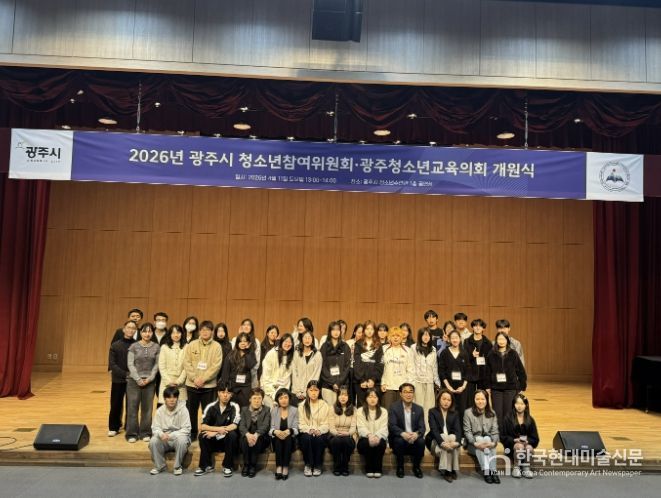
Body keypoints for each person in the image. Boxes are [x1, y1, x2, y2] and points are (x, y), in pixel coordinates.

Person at [184, 320, 223, 440]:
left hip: (209, 386)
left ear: (212, 332)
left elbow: (216, 366)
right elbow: (187, 363)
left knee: (208, 412)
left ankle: (206, 435)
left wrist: (203, 379)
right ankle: (192, 434)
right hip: (192, 385)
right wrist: (195, 379)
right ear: (199, 331)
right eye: (203, 329)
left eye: (208, 329)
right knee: (191, 411)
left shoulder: (217, 346)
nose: (205, 332)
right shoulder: (192, 345)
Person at [194, 383, 241, 478]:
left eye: (228, 393)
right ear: (218, 393)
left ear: (231, 395)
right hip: (213, 441)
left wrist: (215, 432)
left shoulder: (234, 406)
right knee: (202, 435)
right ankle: (205, 466)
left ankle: (227, 466)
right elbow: (202, 426)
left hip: (226, 441)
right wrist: (218, 430)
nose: (225, 395)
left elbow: (234, 425)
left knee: (233, 435)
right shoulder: (211, 407)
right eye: (223, 392)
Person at [126, 322, 160, 443]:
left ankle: (145, 432)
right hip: (133, 381)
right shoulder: (133, 346)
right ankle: (131, 433)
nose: (147, 334)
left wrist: (150, 378)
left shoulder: (156, 347)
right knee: (132, 408)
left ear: (152, 333)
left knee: (147, 409)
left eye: (149, 331)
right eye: (144, 331)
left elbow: (157, 365)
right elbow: (130, 364)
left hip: (149, 382)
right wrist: (138, 379)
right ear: (140, 333)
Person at [148, 386, 191, 476]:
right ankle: (159, 466)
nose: (172, 400)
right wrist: (161, 434)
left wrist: (171, 435)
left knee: (182, 440)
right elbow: (155, 428)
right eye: (169, 397)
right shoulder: (160, 411)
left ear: (177, 398)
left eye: (174, 397)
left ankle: (177, 467)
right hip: (164, 438)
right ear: (165, 399)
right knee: (153, 441)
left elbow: (186, 429)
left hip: (178, 437)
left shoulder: (183, 410)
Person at [486, 332, 527, 426]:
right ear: (496, 341)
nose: (501, 341)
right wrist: (487, 386)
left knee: (508, 412)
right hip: (496, 388)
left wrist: (521, 386)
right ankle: (499, 432)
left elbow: (521, 371)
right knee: (497, 413)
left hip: (510, 387)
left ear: (507, 340)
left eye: (503, 339)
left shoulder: (513, 353)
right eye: (499, 339)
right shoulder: (491, 354)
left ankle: (508, 431)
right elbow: (487, 372)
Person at [388, 383, 426, 479]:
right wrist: (403, 433)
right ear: (400, 394)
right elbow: (392, 426)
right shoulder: (394, 407)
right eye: (405, 392)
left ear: (413, 394)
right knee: (399, 440)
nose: (408, 394)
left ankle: (416, 467)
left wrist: (416, 434)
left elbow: (422, 427)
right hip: (400, 438)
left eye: (411, 392)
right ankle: (400, 467)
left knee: (421, 441)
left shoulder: (419, 409)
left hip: (413, 438)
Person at [463, 389, 500, 484]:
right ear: (474, 400)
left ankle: (493, 471)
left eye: (483, 399)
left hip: (487, 443)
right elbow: (467, 432)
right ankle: (487, 471)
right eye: (477, 399)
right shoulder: (468, 413)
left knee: (487, 438)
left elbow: (495, 432)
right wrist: (476, 443)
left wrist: (493, 443)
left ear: (487, 400)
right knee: (480, 439)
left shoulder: (492, 413)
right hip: (473, 444)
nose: (480, 401)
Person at [425, 389, 462, 482]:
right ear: (439, 399)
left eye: (449, 400)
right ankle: (449, 470)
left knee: (452, 437)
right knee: (445, 436)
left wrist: (457, 442)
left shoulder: (455, 413)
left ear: (452, 402)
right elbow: (434, 430)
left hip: (449, 442)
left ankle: (448, 470)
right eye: (444, 399)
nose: (446, 402)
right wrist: (442, 443)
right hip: (436, 442)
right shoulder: (432, 411)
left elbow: (458, 430)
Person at [108, 320, 137, 437]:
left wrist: (133, 375)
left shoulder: (137, 345)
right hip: (118, 380)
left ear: (135, 331)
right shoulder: (115, 345)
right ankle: (113, 427)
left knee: (131, 405)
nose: (130, 330)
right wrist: (126, 374)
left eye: (133, 328)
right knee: (116, 404)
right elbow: (112, 364)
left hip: (133, 381)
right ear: (124, 329)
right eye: (128, 327)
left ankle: (129, 427)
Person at [501, 393, 539, 479]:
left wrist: (527, 441)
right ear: (514, 405)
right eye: (517, 403)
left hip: (526, 446)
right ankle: (516, 467)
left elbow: (535, 439)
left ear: (526, 405)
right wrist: (514, 440)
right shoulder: (507, 418)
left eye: (522, 404)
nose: (519, 406)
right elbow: (503, 437)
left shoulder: (530, 419)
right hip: (511, 447)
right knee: (519, 446)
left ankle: (526, 468)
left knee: (529, 448)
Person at [298, 380, 330, 477]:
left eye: (316, 390)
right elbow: (300, 423)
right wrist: (309, 430)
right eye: (311, 390)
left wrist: (319, 430)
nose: (313, 393)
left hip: (320, 432)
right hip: (306, 432)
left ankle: (317, 465)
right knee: (307, 438)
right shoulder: (302, 405)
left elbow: (327, 423)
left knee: (318, 439)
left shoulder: (324, 405)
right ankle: (308, 464)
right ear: (307, 391)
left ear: (319, 391)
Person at [238, 387, 271, 478]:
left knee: (257, 440)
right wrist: (248, 435)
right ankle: (246, 465)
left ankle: (253, 465)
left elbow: (265, 425)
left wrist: (256, 435)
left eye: (259, 398)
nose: (257, 401)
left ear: (262, 399)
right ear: (250, 399)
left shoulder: (266, 410)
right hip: (247, 436)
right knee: (245, 440)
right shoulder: (244, 410)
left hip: (261, 437)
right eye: (254, 398)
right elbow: (241, 425)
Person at [409, 327, 441, 419]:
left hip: (429, 382)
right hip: (417, 382)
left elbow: (434, 367)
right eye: (424, 335)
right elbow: (410, 366)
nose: (426, 337)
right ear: (420, 336)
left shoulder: (433, 349)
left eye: (428, 335)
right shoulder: (413, 348)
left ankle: (428, 427)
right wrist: (411, 382)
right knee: (418, 407)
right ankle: (418, 427)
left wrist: (437, 382)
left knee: (429, 408)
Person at [356, 388, 388, 478]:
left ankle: (378, 469)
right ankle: (369, 468)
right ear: (366, 398)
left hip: (379, 437)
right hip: (365, 438)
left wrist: (377, 436)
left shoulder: (384, 411)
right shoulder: (360, 411)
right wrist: (369, 435)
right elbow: (360, 427)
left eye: (375, 397)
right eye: (370, 397)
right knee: (366, 443)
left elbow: (384, 428)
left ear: (378, 398)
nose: (372, 399)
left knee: (381, 443)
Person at [220, 332, 257, 407]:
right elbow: (225, 373)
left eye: (245, 341)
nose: (243, 343)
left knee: (244, 409)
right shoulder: (231, 354)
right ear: (237, 343)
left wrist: (247, 351)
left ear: (248, 343)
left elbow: (250, 365)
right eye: (241, 341)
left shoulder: (251, 354)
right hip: (232, 387)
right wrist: (225, 388)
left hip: (245, 388)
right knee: (232, 409)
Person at [438, 329, 469, 417]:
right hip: (447, 388)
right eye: (452, 338)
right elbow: (441, 371)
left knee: (461, 412)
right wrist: (448, 387)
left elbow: (467, 371)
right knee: (447, 411)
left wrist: (463, 387)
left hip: (461, 389)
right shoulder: (444, 353)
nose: (455, 340)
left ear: (460, 339)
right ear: (449, 340)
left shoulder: (464, 353)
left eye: (456, 338)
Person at [319, 321, 351, 406]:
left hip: (342, 386)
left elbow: (347, 366)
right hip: (327, 385)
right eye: (333, 330)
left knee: (341, 410)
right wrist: (333, 382)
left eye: (338, 330)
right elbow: (322, 366)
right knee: (329, 410)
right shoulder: (324, 347)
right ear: (329, 331)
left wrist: (338, 382)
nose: (336, 332)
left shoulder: (345, 346)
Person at [270, 388, 298, 480]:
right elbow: (271, 429)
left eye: (286, 397)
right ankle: (279, 467)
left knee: (288, 438)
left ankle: (285, 467)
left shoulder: (294, 410)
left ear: (289, 398)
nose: (283, 400)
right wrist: (275, 432)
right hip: (277, 439)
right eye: (281, 398)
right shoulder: (274, 411)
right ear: (278, 400)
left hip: (290, 439)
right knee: (278, 438)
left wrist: (289, 431)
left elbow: (296, 429)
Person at [381, 327, 413, 409]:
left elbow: (410, 369)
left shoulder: (408, 350)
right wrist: (382, 382)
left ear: (401, 337)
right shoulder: (384, 349)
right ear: (389, 337)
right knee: (388, 410)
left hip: (403, 387)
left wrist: (408, 386)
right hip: (388, 386)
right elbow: (381, 368)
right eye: (393, 335)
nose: (395, 338)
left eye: (398, 336)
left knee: (401, 411)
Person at [353, 320, 383, 407]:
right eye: (367, 329)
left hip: (374, 383)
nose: (369, 331)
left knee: (374, 407)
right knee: (361, 407)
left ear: (374, 331)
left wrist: (373, 379)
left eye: (372, 329)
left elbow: (380, 364)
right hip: (361, 383)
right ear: (364, 330)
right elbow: (356, 363)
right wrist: (362, 380)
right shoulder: (358, 344)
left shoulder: (378, 345)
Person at [328, 386, 356, 476]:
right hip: (335, 435)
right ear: (337, 396)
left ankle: (345, 466)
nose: (343, 397)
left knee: (346, 441)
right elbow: (331, 427)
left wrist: (348, 433)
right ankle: (337, 466)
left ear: (349, 397)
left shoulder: (354, 410)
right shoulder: (332, 408)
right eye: (340, 395)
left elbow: (353, 427)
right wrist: (337, 433)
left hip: (349, 435)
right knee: (337, 441)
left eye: (345, 395)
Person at [260, 333, 294, 407]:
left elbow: (287, 378)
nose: (287, 344)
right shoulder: (271, 354)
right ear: (281, 342)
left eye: (290, 342)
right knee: (272, 407)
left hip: (283, 390)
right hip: (269, 389)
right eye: (285, 341)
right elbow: (266, 377)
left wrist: (282, 393)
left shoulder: (291, 356)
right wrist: (274, 394)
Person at [464, 318, 492, 404]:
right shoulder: (467, 342)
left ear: (483, 328)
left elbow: (490, 361)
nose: (478, 327)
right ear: (472, 327)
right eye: (475, 325)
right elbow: (463, 359)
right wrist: (471, 355)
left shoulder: (488, 343)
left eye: (480, 326)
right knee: (470, 400)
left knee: (482, 400)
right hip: (470, 375)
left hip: (483, 376)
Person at [157, 324, 187, 404]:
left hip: (181, 385)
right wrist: (169, 381)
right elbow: (162, 367)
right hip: (166, 383)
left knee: (180, 408)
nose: (176, 335)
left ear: (182, 334)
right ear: (170, 334)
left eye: (178, 332)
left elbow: (187, 367)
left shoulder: (186, 347)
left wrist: (179, 381)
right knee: (166, 408)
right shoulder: (164, 347)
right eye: (173, 333)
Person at [291, 329, 322, 404]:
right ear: (302, 339)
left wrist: (308, 390)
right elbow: (294, 373)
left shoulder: (317, 354)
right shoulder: (296, 353)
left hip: (311, 392)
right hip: (296, 392)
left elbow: (316, 374)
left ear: (312, 340)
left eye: (309, 338)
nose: (307, 340)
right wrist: (298, 391)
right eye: (305, 337)